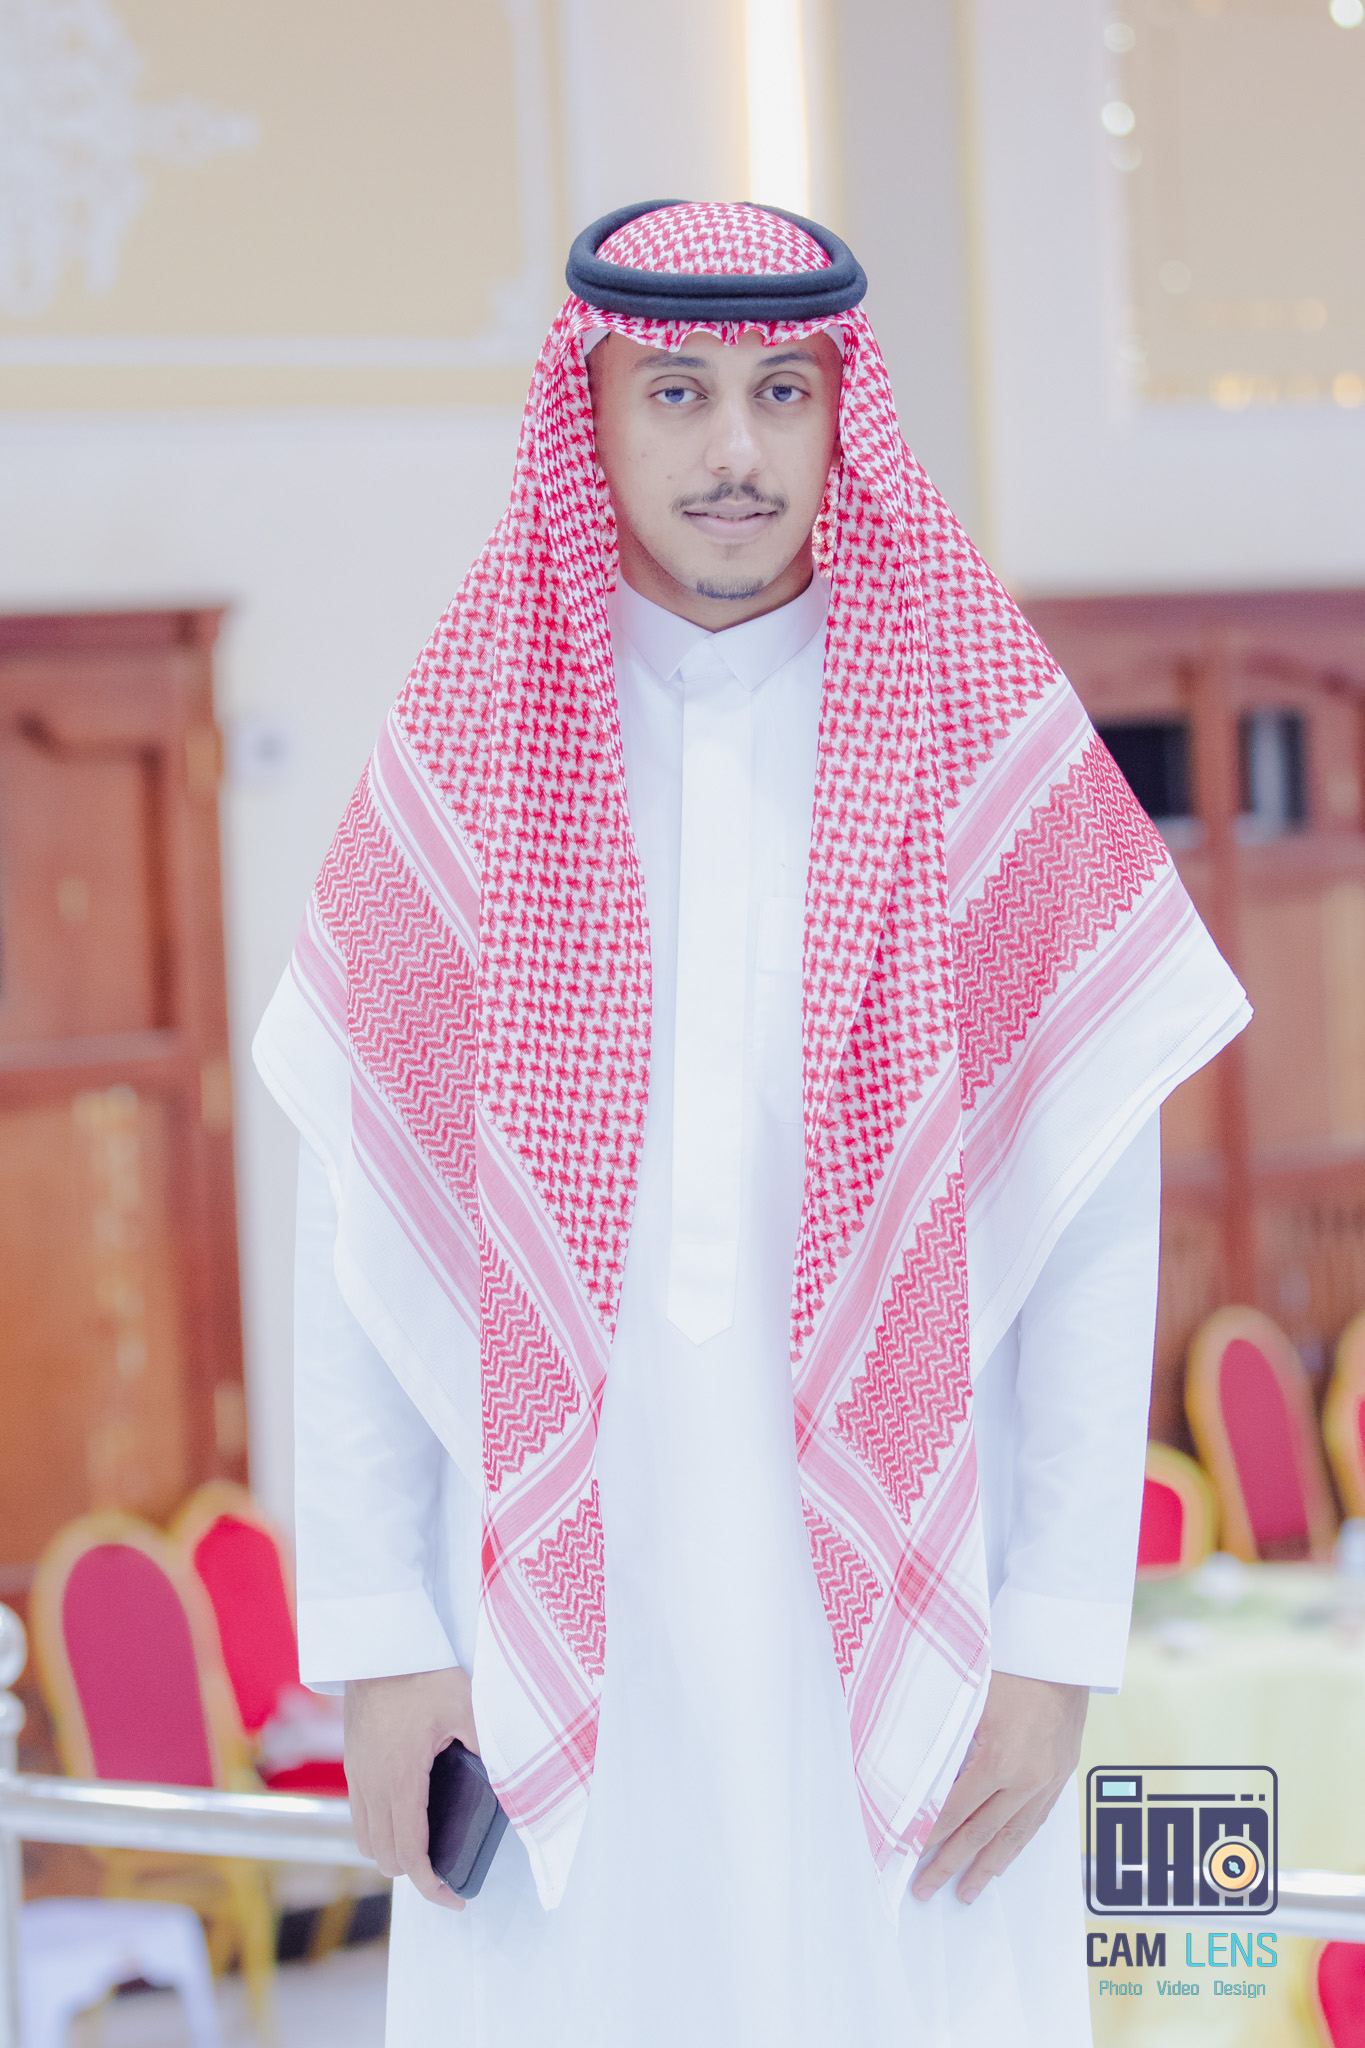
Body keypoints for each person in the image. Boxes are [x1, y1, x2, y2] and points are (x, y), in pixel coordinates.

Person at [255, 201, 1248, 2046]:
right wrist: (381, 1641)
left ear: (837, 410)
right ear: (590, 414)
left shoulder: (981, 744)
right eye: (677, 391)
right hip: (549, 1641)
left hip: (918, 1632)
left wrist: (1052, 1643)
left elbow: (1093, 1219)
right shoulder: (469, 747)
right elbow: (360, 1223)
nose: (734, 447)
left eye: (781, 391)